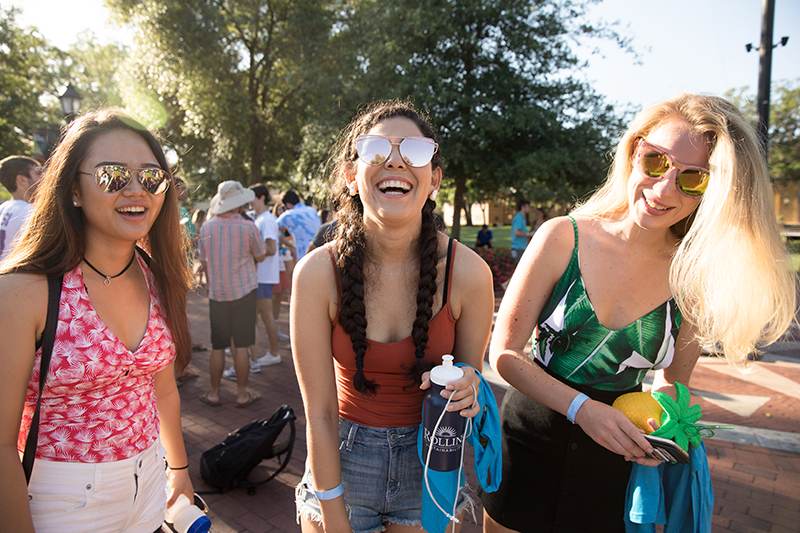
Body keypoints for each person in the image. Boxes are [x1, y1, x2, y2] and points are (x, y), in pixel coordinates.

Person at [480, 94, 798, 533]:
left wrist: (663, 427)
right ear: (634, 152)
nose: (665, 188)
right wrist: (584, 410)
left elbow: (672, 381)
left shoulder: (694, 279)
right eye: (655, 162)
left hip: (616, 460)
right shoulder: (562, 237)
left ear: (714, 190)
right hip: (526, 442)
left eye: (694, 179)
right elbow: (505, 352)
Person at [292, 100, 495, 533]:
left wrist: (470, 386)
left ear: (434, 180)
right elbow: (321, 414)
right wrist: (332, 513)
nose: (396, 161)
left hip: (432, 460)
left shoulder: (470, 274)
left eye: (416, 151)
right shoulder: (316, 274)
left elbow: (471, 376)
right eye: (376, 150)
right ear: (351, 176)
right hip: (340, 458)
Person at [0, 108, 195, 532]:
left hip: (149, 483)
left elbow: (162, 391)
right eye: (112, 176)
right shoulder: (22, 292)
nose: (136, 190)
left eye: (151, 177)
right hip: (60, 500)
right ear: (73, 189)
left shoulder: (157, 276)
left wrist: (178, 470)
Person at [197, 180, 266, 408]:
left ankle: (215, 393)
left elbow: (204, 261)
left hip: (217, 294)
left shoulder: (207, 227)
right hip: (244, 292)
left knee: (218, 346)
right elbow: (260, 255)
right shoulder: (248, 227)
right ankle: (241, 394)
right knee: (242, 345)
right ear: (238, 203)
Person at [222, 184, 282, 381]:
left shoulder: (267, 220)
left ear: (262, 198)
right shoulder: (259, 219)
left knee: (266, 316)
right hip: (257, 276)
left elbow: (271, 248)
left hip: (263, 276)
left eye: (252, 197)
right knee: (254, 318)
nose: (249, 201)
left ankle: (273, 353)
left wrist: (248, 250)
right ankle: (248, 353)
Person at [0, 156, 43, 263]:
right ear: (22, 180)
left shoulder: (3, 208)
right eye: (38, 174)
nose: (44, 178)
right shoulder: (28, 213)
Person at [276, 189, 321, 263]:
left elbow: (273, 228)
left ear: (287, 204)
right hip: (319, 253)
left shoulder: (289, 215)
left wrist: (289, 245)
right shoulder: (312, 210)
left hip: (304, 256)